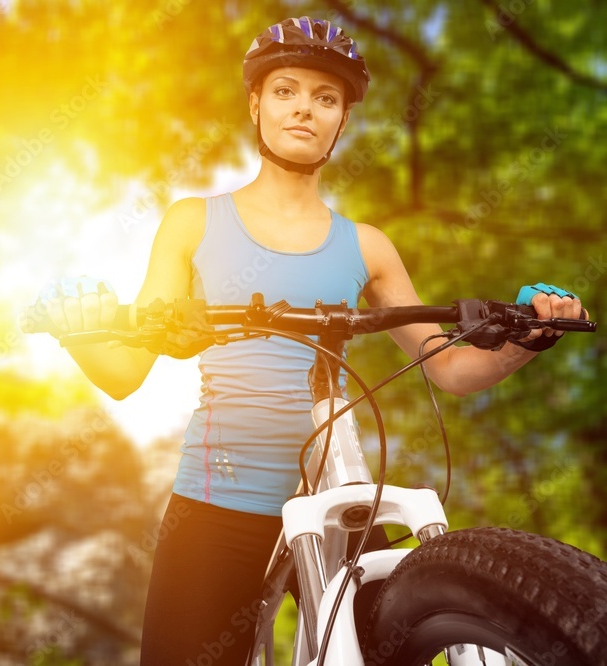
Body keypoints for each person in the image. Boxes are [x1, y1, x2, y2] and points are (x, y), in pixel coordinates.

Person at [36, 16, 586, 666]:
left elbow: (452, 368)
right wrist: (76, 328)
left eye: (326, 98)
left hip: (336, 506)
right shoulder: (193, 222)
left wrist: (530, 338)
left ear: (342, 120)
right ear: (256, 104)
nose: (304, 108)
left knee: (392, 647)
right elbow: (127, 370)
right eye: (286, 90)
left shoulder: (367, 246)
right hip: (217, 508)